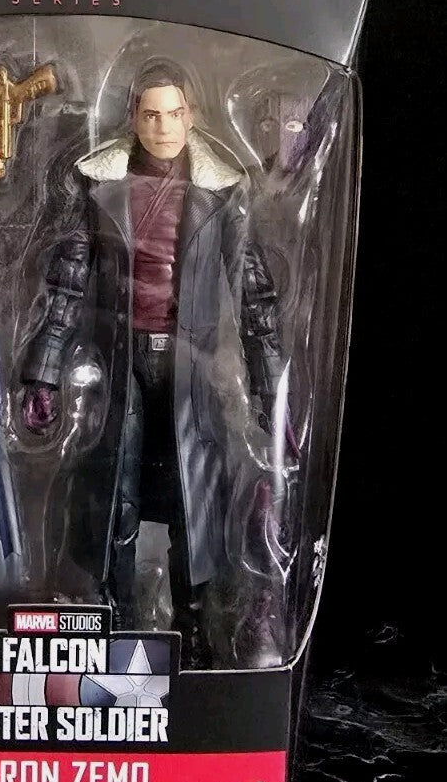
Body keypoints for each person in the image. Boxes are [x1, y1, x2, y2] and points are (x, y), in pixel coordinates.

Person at [21, 60, 290, 666]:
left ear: (191, 116)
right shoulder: (98, 182)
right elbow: (66, 281)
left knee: (194, 498)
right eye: (151, 114)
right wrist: (44, 370)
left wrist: (272, 388)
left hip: (190, 365)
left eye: (174, 114)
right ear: (134, 118)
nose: (164, 126)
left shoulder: (222, 188)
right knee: (115, 490)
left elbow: (254, 294)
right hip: (121, 361)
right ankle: (114, 619)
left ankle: (193, 629)